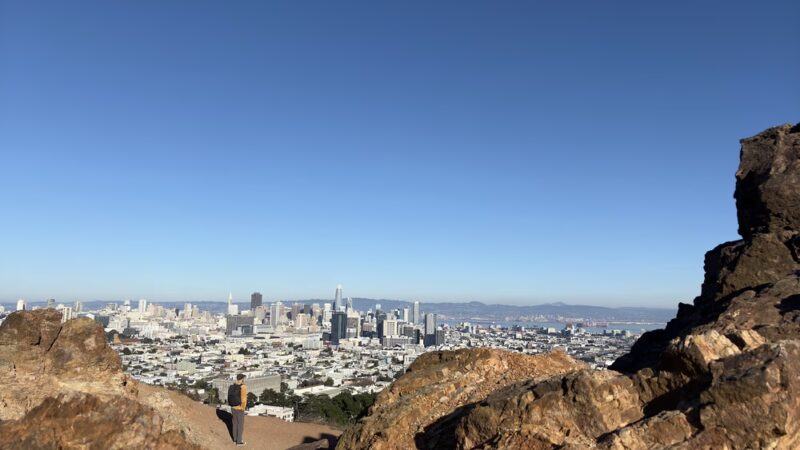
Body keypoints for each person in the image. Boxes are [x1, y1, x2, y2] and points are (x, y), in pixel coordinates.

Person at [228, 373, 247, 446]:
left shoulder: (232, 386)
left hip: (233, 407)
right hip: (239, 408)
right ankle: (239, 442)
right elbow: (243, 398)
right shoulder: (243, 387)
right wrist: (243, 407)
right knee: (240, 425)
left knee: (235, 423)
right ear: (242, 379)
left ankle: (235, 439)